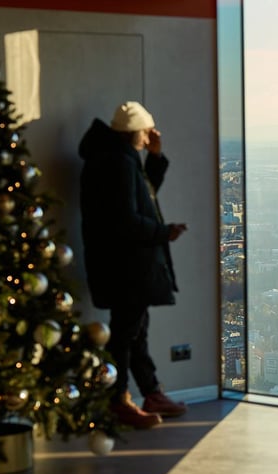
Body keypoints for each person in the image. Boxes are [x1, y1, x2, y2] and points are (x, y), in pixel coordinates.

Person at [79, 101, 188, 429]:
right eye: (146, 130)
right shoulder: (118, 163)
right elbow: (125, 220)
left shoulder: (116, 158)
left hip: (120, 263)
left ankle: (149, 392)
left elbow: (144, 196)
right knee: (126, 335)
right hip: (126, 265)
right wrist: (163, 232)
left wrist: (154, 156)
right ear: (133, 132)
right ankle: (119, 400)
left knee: (134, 330)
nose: (150, 135)